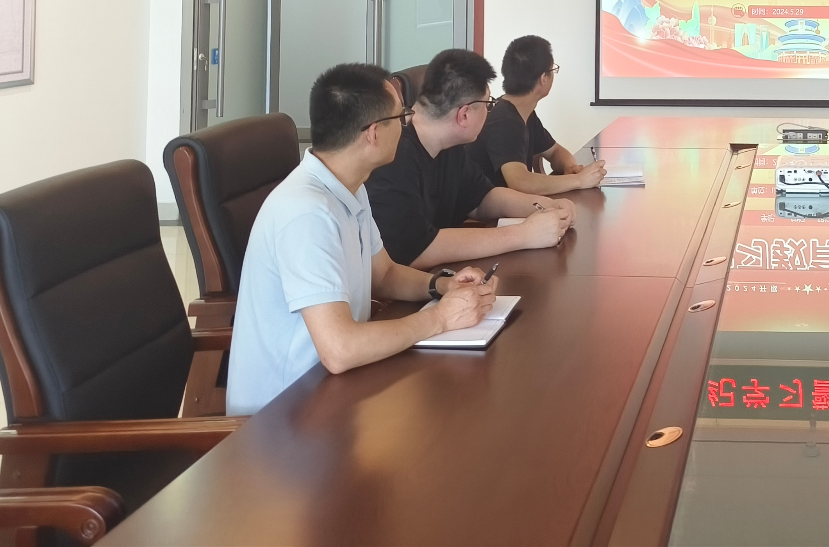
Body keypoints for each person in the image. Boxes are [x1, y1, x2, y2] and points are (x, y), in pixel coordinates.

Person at [227, 63, 498, 415]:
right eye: (401, 116)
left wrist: (443, 286)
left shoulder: (350, 186)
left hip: (334, 391)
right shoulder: (306, 212)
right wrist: (441, 319)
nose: (408, 124)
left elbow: (383, 274)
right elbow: (339, 350)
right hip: (283, 417)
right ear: (373, 134)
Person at [367, 48, 576, 269]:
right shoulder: (393, 158)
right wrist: (524, 234)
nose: (490, 111)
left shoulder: (449, 146)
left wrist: (547, 206)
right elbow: (418, 250)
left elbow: (484, 198)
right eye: (488, 104)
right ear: (464, 114)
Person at [470, 35, 607, 195]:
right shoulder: (504, 120)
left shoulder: (523, 113)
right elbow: (520, 182)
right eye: (553, 70)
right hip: (485, 210)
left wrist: (569, 167)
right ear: (543, 78)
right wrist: (579, 180)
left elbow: (555, 151)